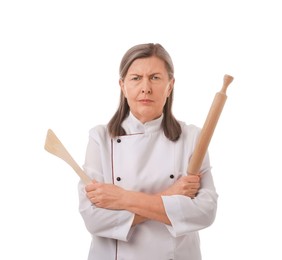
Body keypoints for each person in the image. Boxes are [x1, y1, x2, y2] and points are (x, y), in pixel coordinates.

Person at [78, 43, 218, 260]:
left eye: (155, 77)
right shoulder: (100, 139)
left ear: (170, 85)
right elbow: (94, 219)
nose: (146, 88)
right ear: (122, 85)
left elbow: (205, 212)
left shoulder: (192, 138)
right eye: (136, 78)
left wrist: (121, 198)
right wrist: (170, 196)